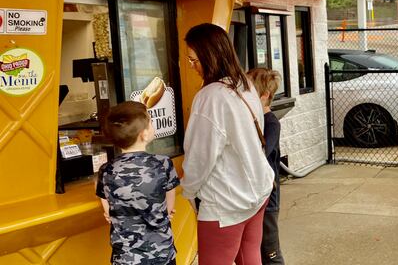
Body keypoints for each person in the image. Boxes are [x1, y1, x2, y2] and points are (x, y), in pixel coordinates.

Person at [181, 23, 275, 265]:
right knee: (250, 256)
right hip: (257, 189)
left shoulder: (210, 96)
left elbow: (200, 157)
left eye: (194, 60)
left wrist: (188, 191)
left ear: (208, 56)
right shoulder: (245, 84)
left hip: (225, 200)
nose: (191, 67)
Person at [96, 101, 180, 265]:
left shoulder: (106, 170)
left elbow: (108, 213)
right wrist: (163, 213)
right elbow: (169, 208)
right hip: (161, 254)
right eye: (151, 122)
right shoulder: (163, 164)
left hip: (125, 258)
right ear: (144, 134)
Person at [247, 68, 286, 264]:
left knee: (270, 252)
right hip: (252, 198)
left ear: (264, 96)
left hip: (268, 200)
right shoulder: (250, 121)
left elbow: (259, 155)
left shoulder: (271, 124)